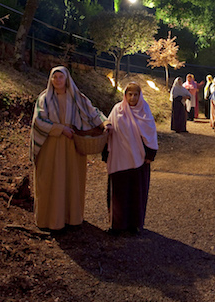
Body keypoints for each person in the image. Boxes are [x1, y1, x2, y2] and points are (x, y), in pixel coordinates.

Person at [30, 66, 106, 231]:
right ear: (51, 80)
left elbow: (92, 112)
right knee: (51, 180)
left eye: (60, 77)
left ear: (66, 79)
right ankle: (49, 220)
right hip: (50, 146)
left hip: (72, 146)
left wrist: (105, 124)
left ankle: (71, 218)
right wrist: (60, 129)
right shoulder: (44, 99)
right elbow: (39, 120)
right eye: (54, 77)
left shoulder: (76, 97)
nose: (57, 80)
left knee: (71, 179)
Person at [105, 82, 158, 235]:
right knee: (119, 193)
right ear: (125, 95)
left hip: (139, 160)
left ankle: (135, 224)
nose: (133, 97)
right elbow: (108, 131)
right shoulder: (117, 110)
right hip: (119, 159)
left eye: (136, 94)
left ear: (140, 95)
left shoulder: (145, 111)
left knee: (136, 193)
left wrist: (150, 155)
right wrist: (105, 153)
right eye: (130, 94)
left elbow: (150, 134)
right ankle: (117, 225)